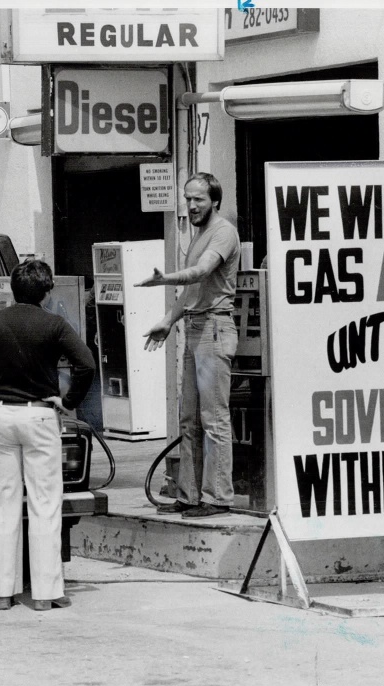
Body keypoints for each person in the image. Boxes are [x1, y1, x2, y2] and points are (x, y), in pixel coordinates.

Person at [0, 260, 96, 611]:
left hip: (4, 415)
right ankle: (45, 593)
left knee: (3, 502)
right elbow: (86, 364)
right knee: (44, 505)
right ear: (47, 290)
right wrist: (68, 401)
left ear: (13, 289)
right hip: (41, 415)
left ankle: (0, 591)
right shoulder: (54, 324)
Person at [136, 172, 241, 519]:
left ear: (215, 201)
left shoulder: (223, 232)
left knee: (213, 418)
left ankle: (217, 497)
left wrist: (165, 278)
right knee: (189, 419)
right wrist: (169, 319)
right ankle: (190, 495)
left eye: (199, 199)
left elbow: (201, 273)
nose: (192, 205)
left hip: (214, 327)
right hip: (196, 327)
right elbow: (193, 291)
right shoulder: (196, 235)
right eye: (188, 198)